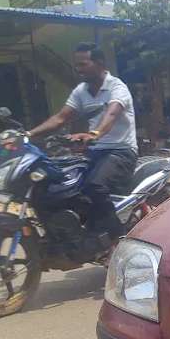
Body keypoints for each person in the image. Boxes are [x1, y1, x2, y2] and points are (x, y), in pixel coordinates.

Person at [27, 42, 137, 242]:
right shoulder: (81, 91)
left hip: (121, 152)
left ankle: (118, 237)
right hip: (94, 151)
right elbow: (60, 118)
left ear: (100, 63)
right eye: (76, 65)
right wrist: (28, 134)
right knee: (60, 185)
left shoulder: (117, 87)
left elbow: (112, 114)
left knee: (94, 186)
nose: (78, 69)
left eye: (83, 64)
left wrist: (94, 134)